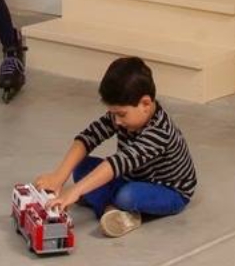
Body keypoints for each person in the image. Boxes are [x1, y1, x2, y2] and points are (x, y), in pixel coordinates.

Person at [32, 56, 197, 238]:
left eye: (121, 114)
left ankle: (113, 206)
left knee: (127, 196)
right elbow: (88, 137)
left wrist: (75, 191)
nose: (116, 121)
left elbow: (117, 163)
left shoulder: (160, 132)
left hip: (169, 191)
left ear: (145, 104)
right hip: (129, 176)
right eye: (113, 114)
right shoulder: (123, 116)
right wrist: (59, 176)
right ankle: (113, 210)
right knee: (81, 167)